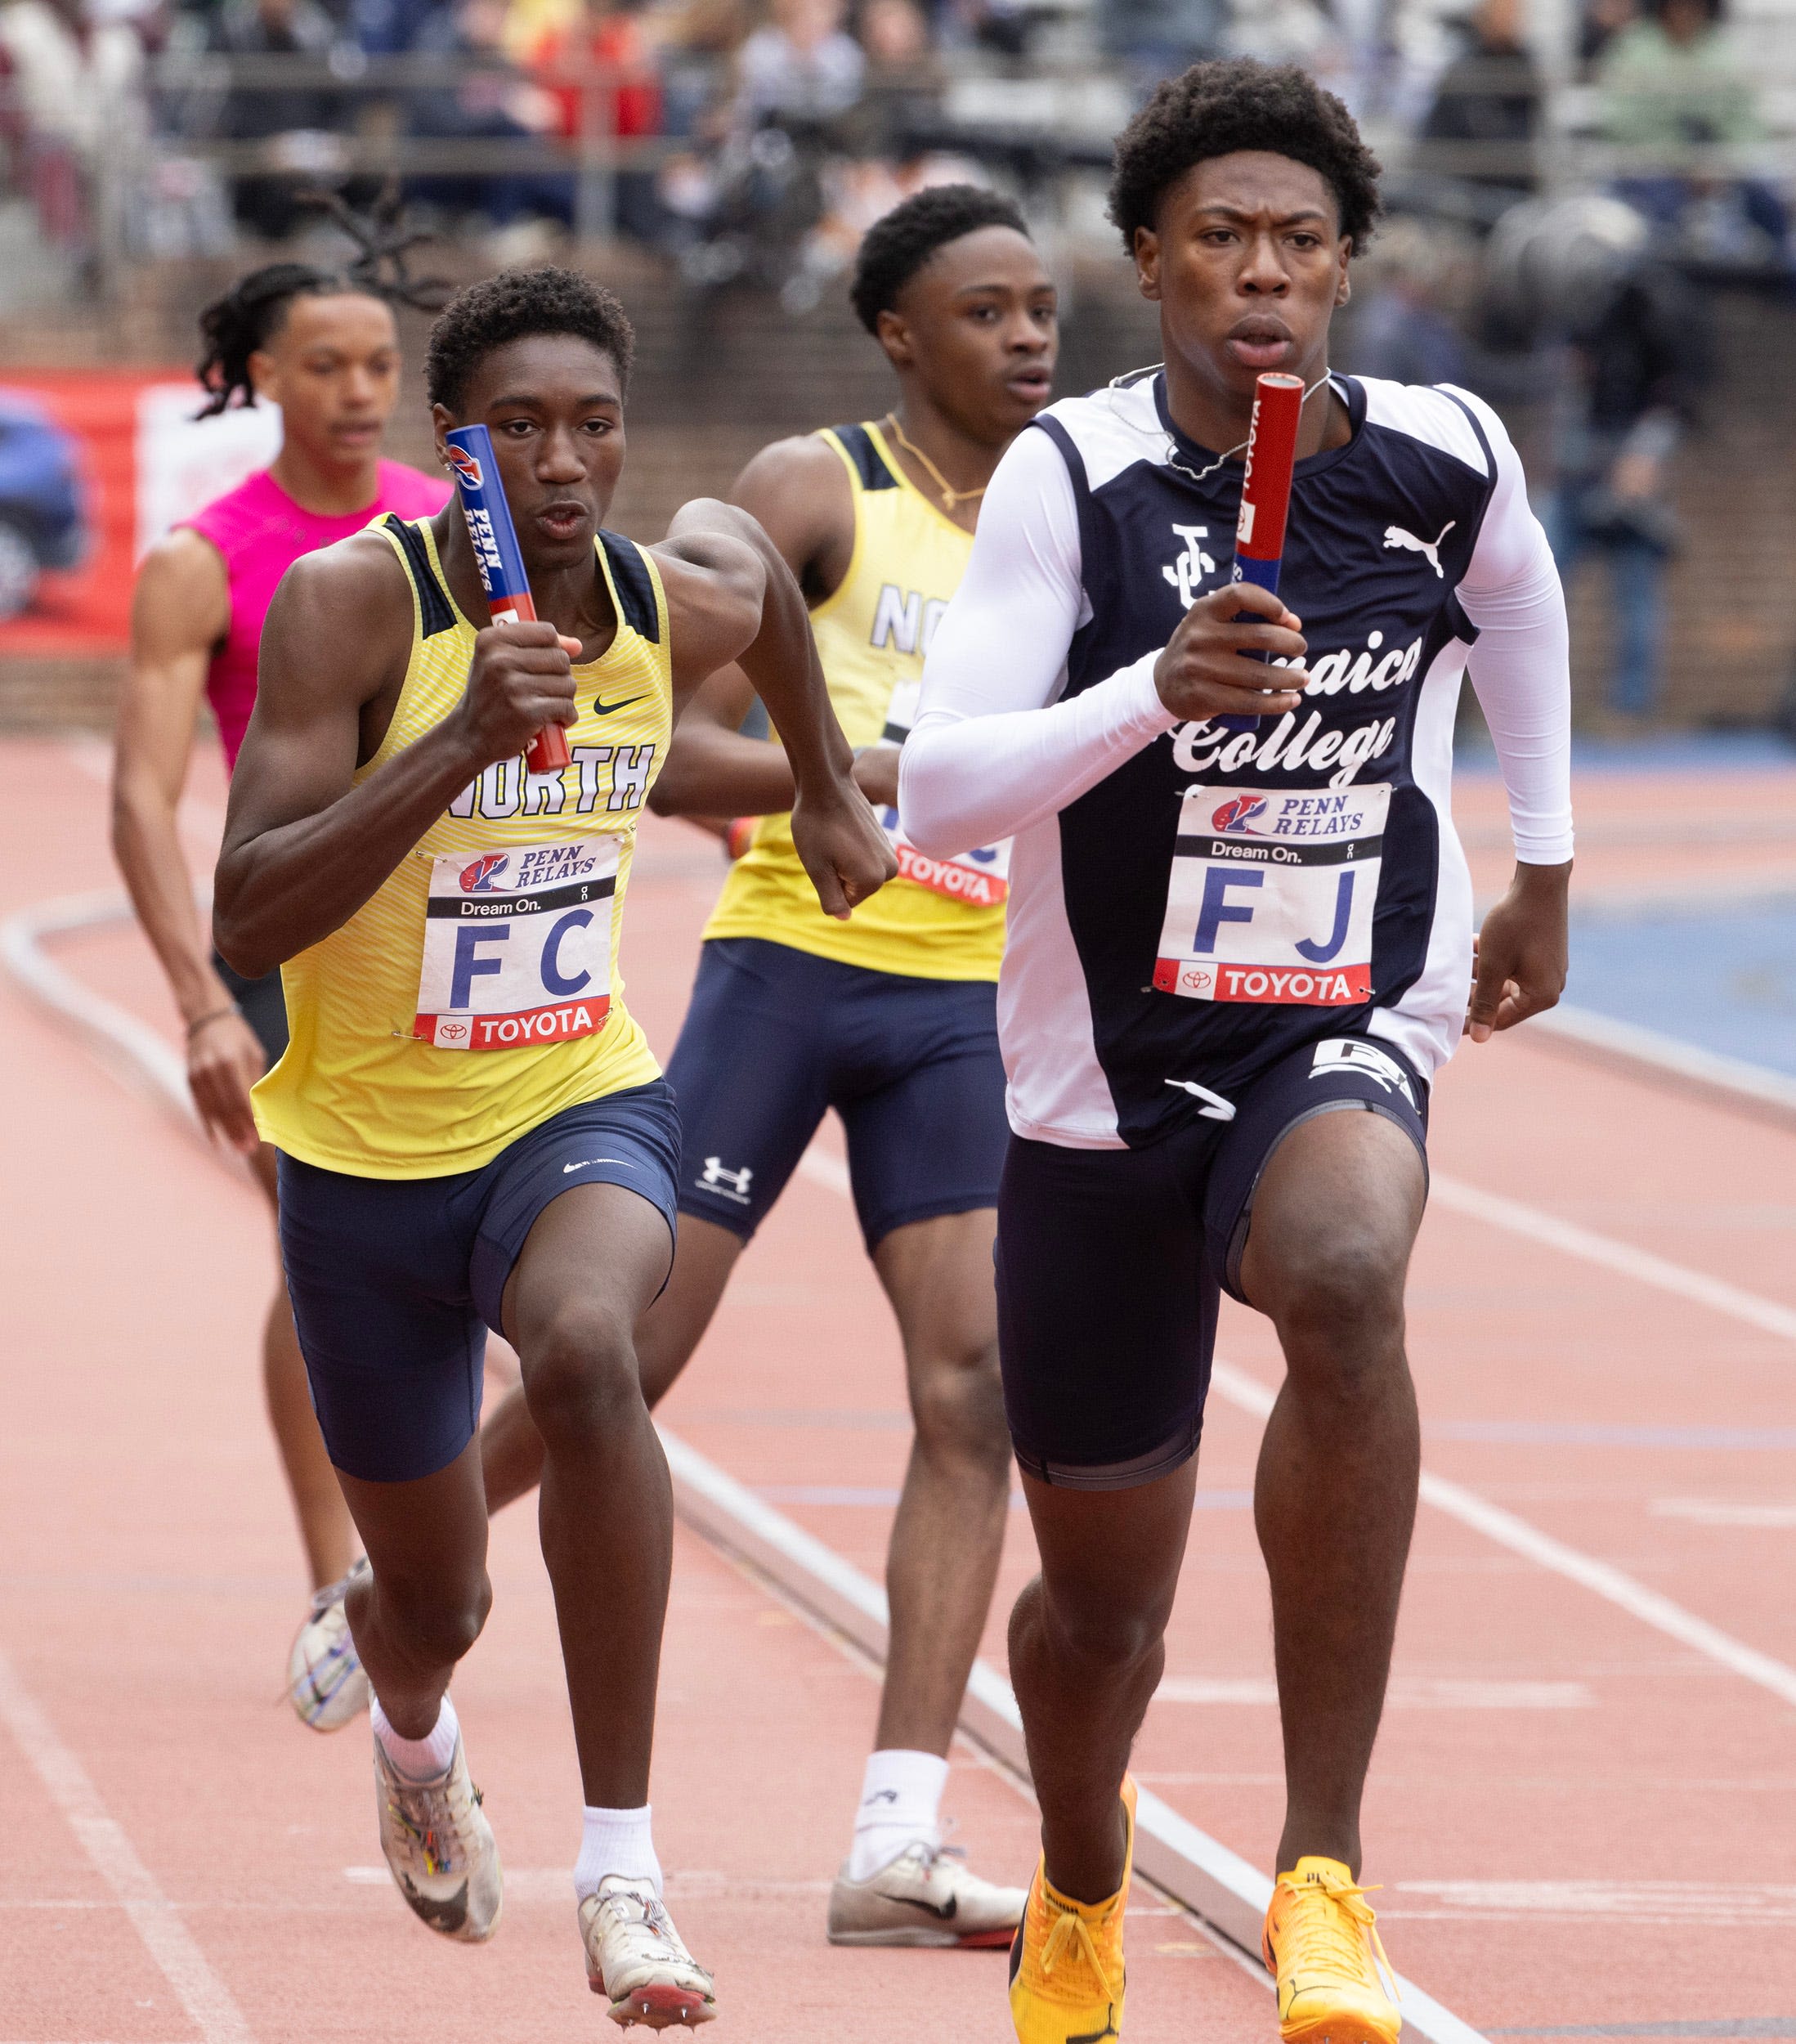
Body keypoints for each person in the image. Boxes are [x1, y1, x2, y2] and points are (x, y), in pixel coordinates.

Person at [899, 59, 1573, 2043]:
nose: (1258, 276)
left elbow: (1513, 613)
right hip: (1102, 1074)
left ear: (1345, 263)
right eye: (1218, 241)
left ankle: (1320, 1873)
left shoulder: (1443, 449)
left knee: (1349, 1269)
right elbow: (940, 787)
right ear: (1149, 265)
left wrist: (1541, 863)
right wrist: (1145, 693)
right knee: (1098, 1611)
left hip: (1349, 1003)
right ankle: (1085, 1865)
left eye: (1295, 241)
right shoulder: (1071, 479)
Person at [211, 266, 893, 2022]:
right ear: (461, 448)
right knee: (434, 1604)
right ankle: (414, 1726)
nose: (564, 460)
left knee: (595, 1354)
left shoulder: (677, 595)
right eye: (518, 426)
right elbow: (247, 916)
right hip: (363, 1166)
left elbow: (772, 603)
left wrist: (819, 783)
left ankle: (624, 1873)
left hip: (574, 1098)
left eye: (591, 421)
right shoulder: (354, 606)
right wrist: (453, 743)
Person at [475, 183, 1055, 1948]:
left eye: (1044, 307)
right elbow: (665, 745)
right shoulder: (819, 489)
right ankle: (405, 1571)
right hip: (792, 970)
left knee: (976, 1393)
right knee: (627, 1355)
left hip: (966, 1001)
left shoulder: (1071, 511)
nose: (1031, 336)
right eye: (987, 310)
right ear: (900, 334)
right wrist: (866, 779)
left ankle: (896, 1830)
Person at [111, 250, 448, 1736]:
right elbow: (137, 794)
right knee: (320, 1249)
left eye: (380, 362)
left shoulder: (453, 528)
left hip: (450, 951)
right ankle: (342, 1580)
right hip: (287, 955)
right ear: (263, 381)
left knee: (453, 1271)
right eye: (325, 365)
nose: (361, 391)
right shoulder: (205, 559)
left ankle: (409, 1560)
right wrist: (193, 997)